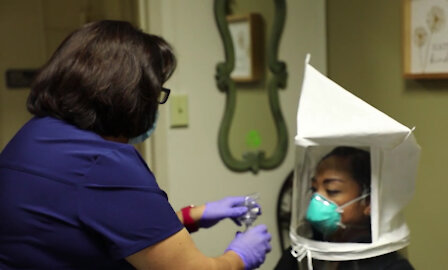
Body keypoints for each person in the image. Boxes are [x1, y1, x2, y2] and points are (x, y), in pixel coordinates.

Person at [0, 20, 271, 270]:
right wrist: (240, 256)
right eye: (156, 94)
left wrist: (191, 216)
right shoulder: (104, 163)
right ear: (130, 95)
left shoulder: (33, 136)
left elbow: (96, 227)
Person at [274, 146, 413, 269]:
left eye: (332, 190)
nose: (317, 200)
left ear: (369, 201)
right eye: (313, 189)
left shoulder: (392, 266)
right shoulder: (300, 254)